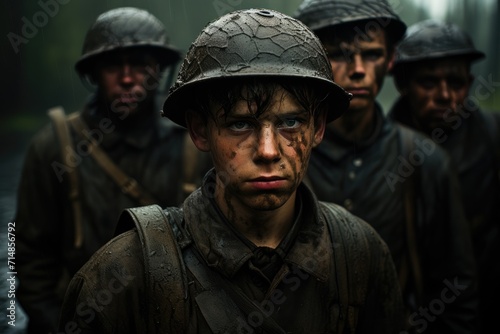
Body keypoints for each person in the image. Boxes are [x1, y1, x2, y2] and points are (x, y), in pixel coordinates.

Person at [57, 8, 406, 333]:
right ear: (199, 130)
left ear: (318, 128)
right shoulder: (125, 273)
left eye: (290, 122)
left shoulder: (361, 254)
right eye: (240, 124)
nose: (268, 151)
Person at [14, 7, 210, 334]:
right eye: (112, 66)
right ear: (94, 73)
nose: (128, 77)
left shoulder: (195, 143)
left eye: (140, 65)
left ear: (159, 69)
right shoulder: (54, 147)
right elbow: (28, 255)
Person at [294, 1, 478, 333]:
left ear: (391, 59)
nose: (358, 69)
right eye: (338, 54)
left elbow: (456, 289)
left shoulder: (425, 159)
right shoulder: (279, 155)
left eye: (372, 54)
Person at [388, 19, 500, 334]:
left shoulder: (493, 138)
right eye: (429, 82)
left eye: (456, 82)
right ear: (403, 84)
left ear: (470, 82)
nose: (445, 95)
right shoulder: (381, 148)